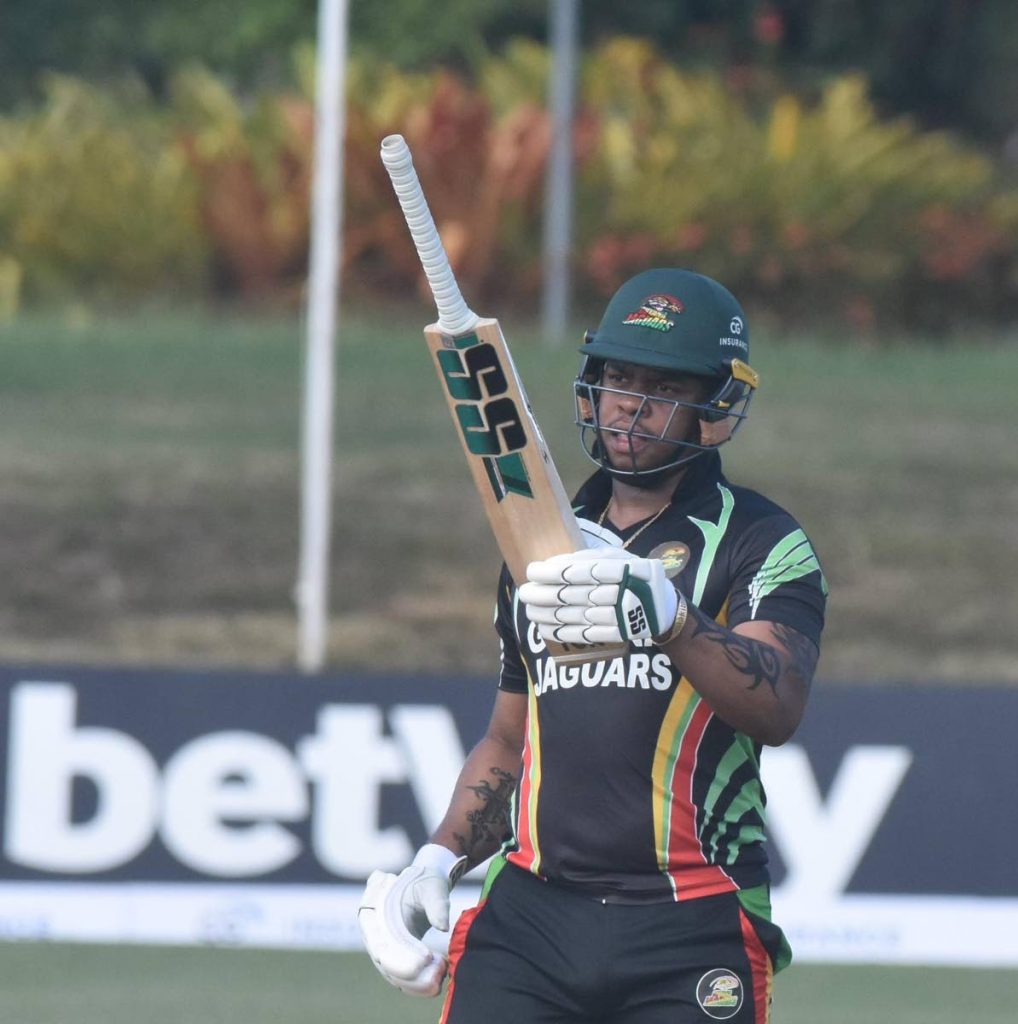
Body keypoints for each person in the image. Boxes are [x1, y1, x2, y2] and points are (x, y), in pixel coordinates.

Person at [359, 268, 828, 1023]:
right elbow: (509, 742)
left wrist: (672, 617)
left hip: (695, 918)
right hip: (530, 921)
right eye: (616, 377)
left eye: (664, 387)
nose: (630, 407)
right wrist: (438, 858)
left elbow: (776, 703)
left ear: (712, 405)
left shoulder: (762, 542)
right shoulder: (536, 546)